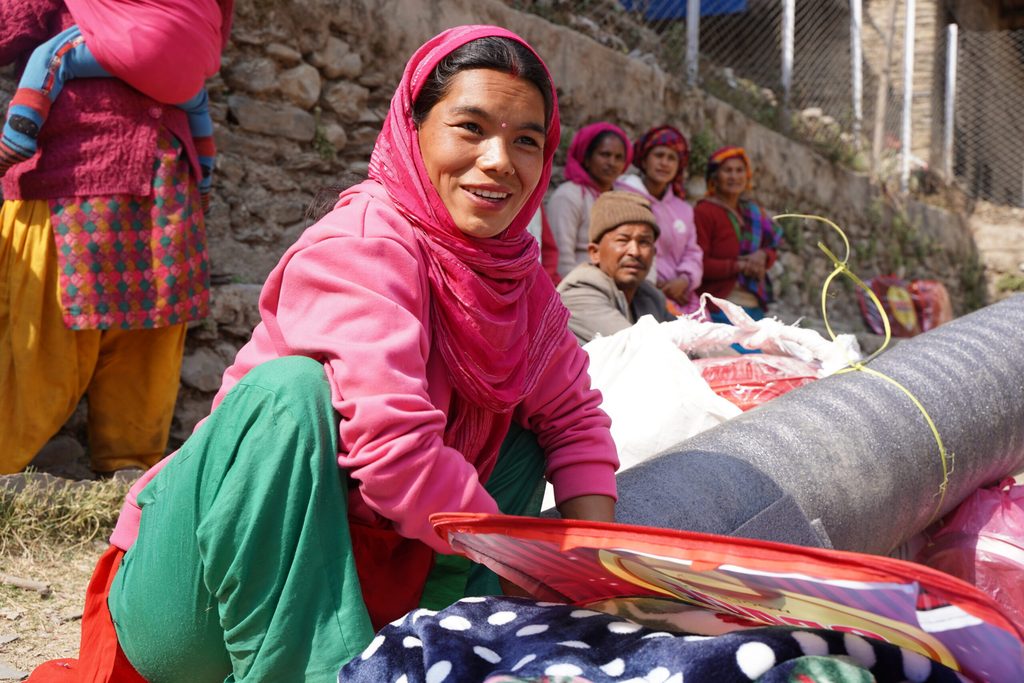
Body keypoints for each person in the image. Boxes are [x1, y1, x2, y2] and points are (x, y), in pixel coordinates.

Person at [29, 25, 619, 683]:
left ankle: (449, 644)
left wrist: (594, 566)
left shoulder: (521, 285)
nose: (499, 160)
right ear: (413, 128)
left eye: (526, 141)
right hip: (202, 605)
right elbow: (395, 448)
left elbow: (574, 419)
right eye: (470, 128)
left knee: (525, 437)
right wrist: (513, 543)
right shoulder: (363, 246)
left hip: (366, 579)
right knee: (290, 392)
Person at [0, 0, 232, 476]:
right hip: (170, 181)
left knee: (40, 344)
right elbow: (194, 51)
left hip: (75, 171)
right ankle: (130, 477)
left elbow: (10, 29)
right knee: (146, 342)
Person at [558, 190, 673, 344]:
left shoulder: (651, 296)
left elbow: (692, 345)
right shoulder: (579, 291)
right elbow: (641, 348)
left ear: (654, 253)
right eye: (622, 240)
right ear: (595, 253)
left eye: (644, 242)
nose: (635, 252)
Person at [616, 124, 703, 315]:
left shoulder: (684, 210)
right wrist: (653, 281)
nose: (664, 163)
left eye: (672, 158)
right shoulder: (622, 196)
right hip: (635, 291)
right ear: (645, 160)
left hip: (681, 295)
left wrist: (684, 280)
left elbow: (693, 252)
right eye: (659, 155)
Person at [694, 146, 783, 323]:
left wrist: (763, 255)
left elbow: (772, 246)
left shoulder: (753, 212)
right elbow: (700, 264)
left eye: (739, 170)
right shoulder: (704, 212)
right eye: (727, 171)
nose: (734, 176)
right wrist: (739, 266)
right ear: (715, 177)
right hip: (719, 306)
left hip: (753, 306)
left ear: (747, 176)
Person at [546, 121, 632, 278]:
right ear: (586, 158)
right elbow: (561, 260)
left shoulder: (626, 199)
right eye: (605, 154)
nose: (612, 163)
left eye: (618, 157)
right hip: (581, 286)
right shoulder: (568, 196)